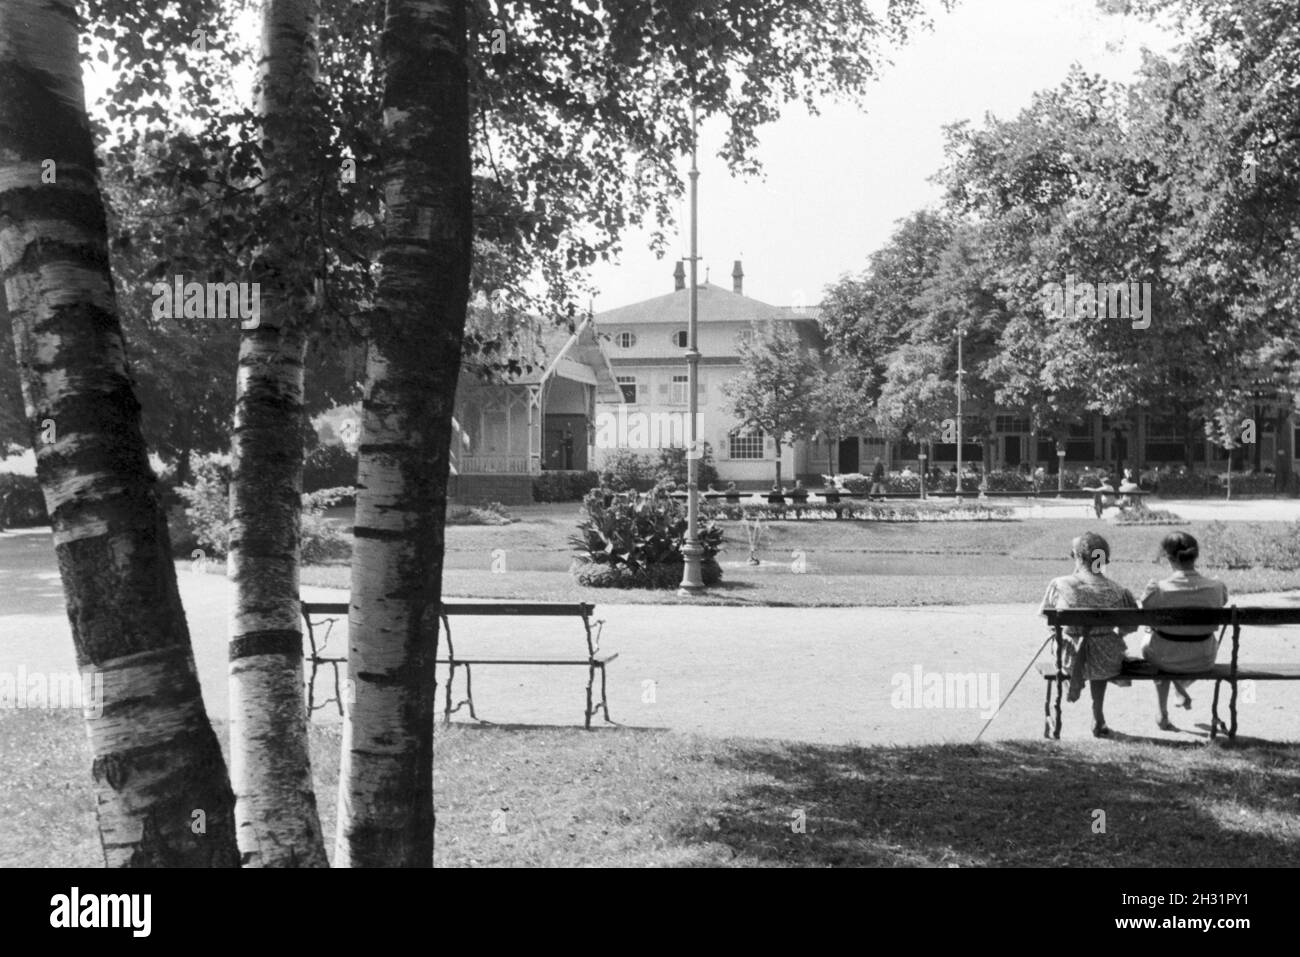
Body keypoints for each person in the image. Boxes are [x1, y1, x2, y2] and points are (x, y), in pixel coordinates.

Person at [1039, 532, 1139, 737]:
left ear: (1079, 557)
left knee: (1082, 650)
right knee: (1101, 649)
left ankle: (1071, 686)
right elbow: (1130, 627)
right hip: (1107, 661)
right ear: (1103, 559)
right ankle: (1098, 715)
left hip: (1069, 659)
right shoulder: (1118, 591)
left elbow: (1049, 621)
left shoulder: (1060, 584)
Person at [1139, 532, 1229, 731]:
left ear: (1167, 557)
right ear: (1196, 555)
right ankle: (1178, 689)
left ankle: (1163, 710)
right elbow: (1223, 601)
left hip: (1164, 658)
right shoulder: (1216, 587)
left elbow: (1144, 609)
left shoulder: (1158, 589)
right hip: (1203, 659)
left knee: (1150, 641)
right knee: (1166, 643)